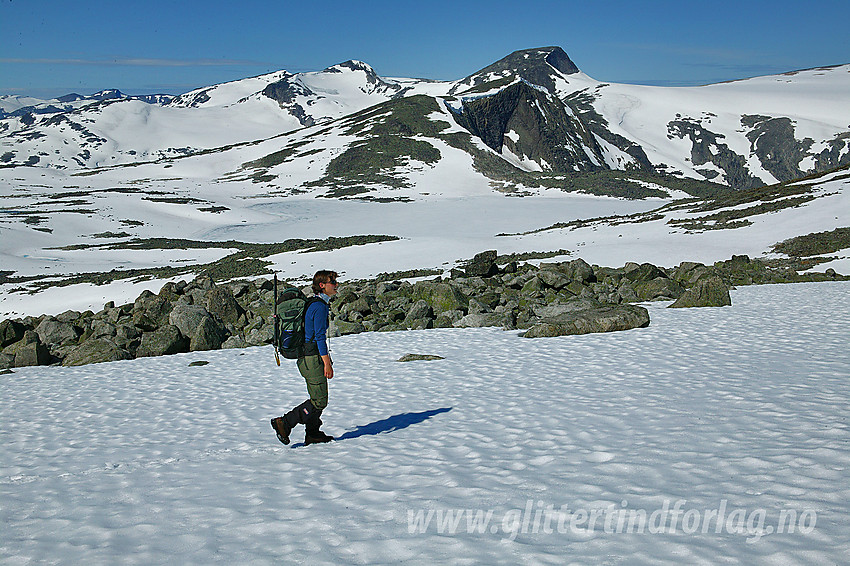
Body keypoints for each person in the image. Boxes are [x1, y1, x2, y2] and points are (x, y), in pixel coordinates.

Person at [271, 270, 339, 446]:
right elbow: (319, 337)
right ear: (322, 285)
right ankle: (284, 422)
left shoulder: (316, 303)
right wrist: (326, 362)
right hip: (311, 359)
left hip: (309, 358)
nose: (336, 285)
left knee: (317, 397)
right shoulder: (318, 306)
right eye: (333, 282)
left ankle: (313, 433)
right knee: (319, 400)